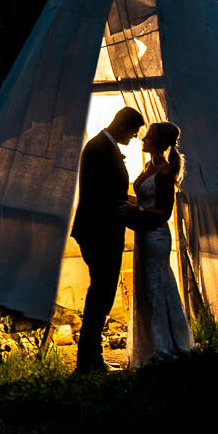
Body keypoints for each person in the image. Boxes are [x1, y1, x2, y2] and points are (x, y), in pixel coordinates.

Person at [70, 106, 146, 373]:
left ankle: (92, 358)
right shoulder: (99, 148)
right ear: (123, 127)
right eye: (135, 131)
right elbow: (97, 193)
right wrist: (124, 209)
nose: (136, 137)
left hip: (102, 231)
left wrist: (129, 203)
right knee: (100, 295)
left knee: (101, 294)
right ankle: (89, 361)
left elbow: (109, 190)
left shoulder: (103, 146)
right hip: (99, 232)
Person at [131, 121, 195, 363]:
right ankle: (154, 342)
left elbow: (164, 213)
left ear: (157, 141)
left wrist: (135, 213)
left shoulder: (166, 171)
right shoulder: (149, 166)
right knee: (148, 284)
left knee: (157, 285)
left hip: (156, 234)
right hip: (143, 231)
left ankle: (163, 346)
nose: (143, 139)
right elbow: (143, 201)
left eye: (147, 136)